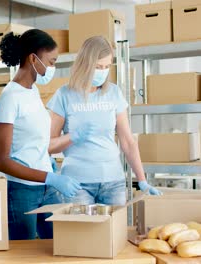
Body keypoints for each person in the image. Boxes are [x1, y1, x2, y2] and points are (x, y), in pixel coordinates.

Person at [47, 36, 161, 206]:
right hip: (77, 184)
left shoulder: (114, 93)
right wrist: (72, 136)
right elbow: (49, 145)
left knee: (114, 232)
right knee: (85, 232)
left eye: (107, 67)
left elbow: (128, 142)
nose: (103, 71)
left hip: (114, 182)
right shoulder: (64, 95)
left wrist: (142, 179)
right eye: (98, 67)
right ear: (85, 64)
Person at [0, 29, 82, 240]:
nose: (53, 68)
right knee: (24, 256)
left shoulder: (32, 91)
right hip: (22, 192)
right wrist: (48, 176)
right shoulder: (10, 97)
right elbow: (0, 161)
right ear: (33, 58)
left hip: (47, 188)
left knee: (61, 245)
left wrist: (46, 161)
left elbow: (31, 141)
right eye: (51, 62)